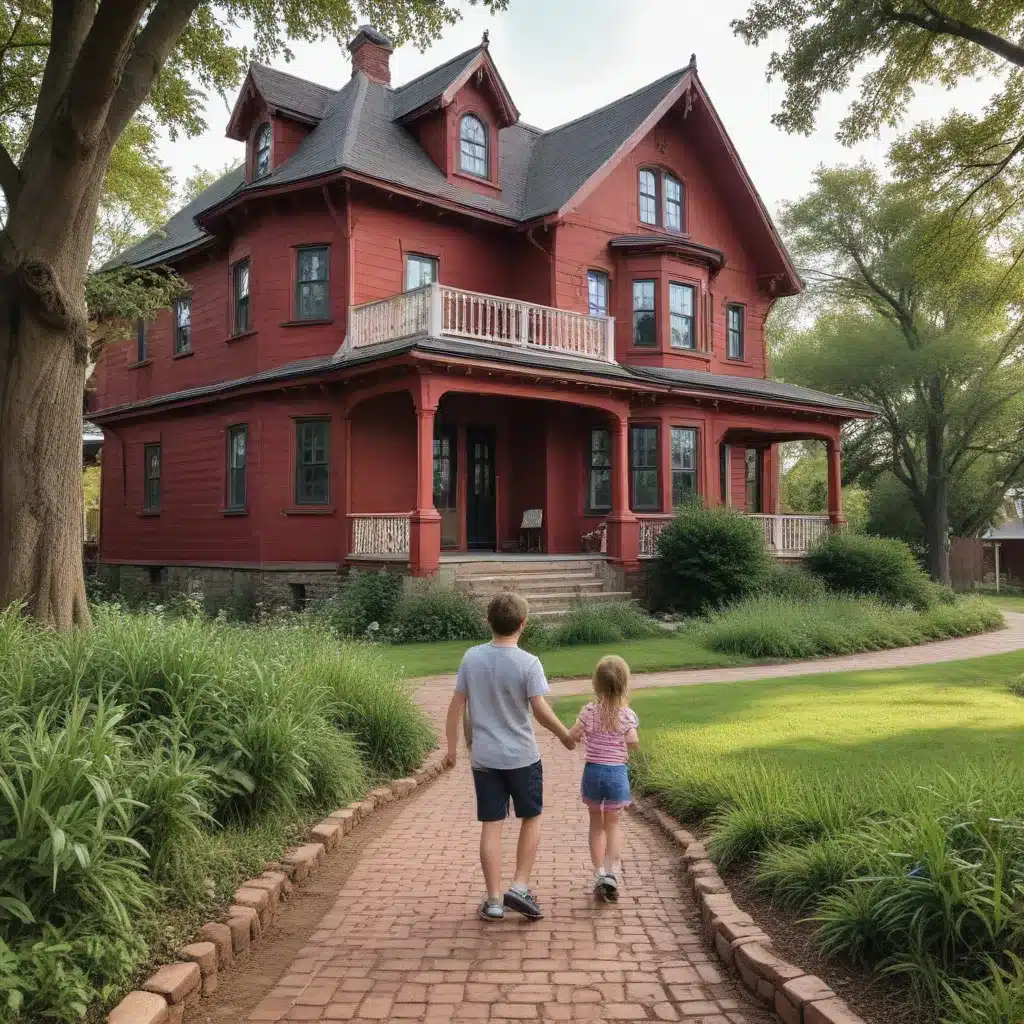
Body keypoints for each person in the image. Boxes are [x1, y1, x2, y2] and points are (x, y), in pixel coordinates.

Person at [443, 591, 575, 922]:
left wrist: (451, 749)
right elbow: (540, 709)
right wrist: (564, 736)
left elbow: (456, 706)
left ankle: (493, 900)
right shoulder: (528, 662)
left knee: (492, 824)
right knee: (531, 817)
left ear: (488, 621)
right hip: (523, 757)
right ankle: (519, 885)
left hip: (485, 759)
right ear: (523, 624)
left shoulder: (472, 658)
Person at [568, 655, 640, 903]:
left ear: (596, 685)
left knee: (595, 825)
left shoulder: (589, 712)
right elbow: (632, 741)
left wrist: (575, 736)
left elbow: (574, 734)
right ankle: (613, 873)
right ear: (623, 684)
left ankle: (599, 873)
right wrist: (630, 745)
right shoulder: (627, 715)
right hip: (616, 773)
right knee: (613, 824)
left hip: (593, 772)